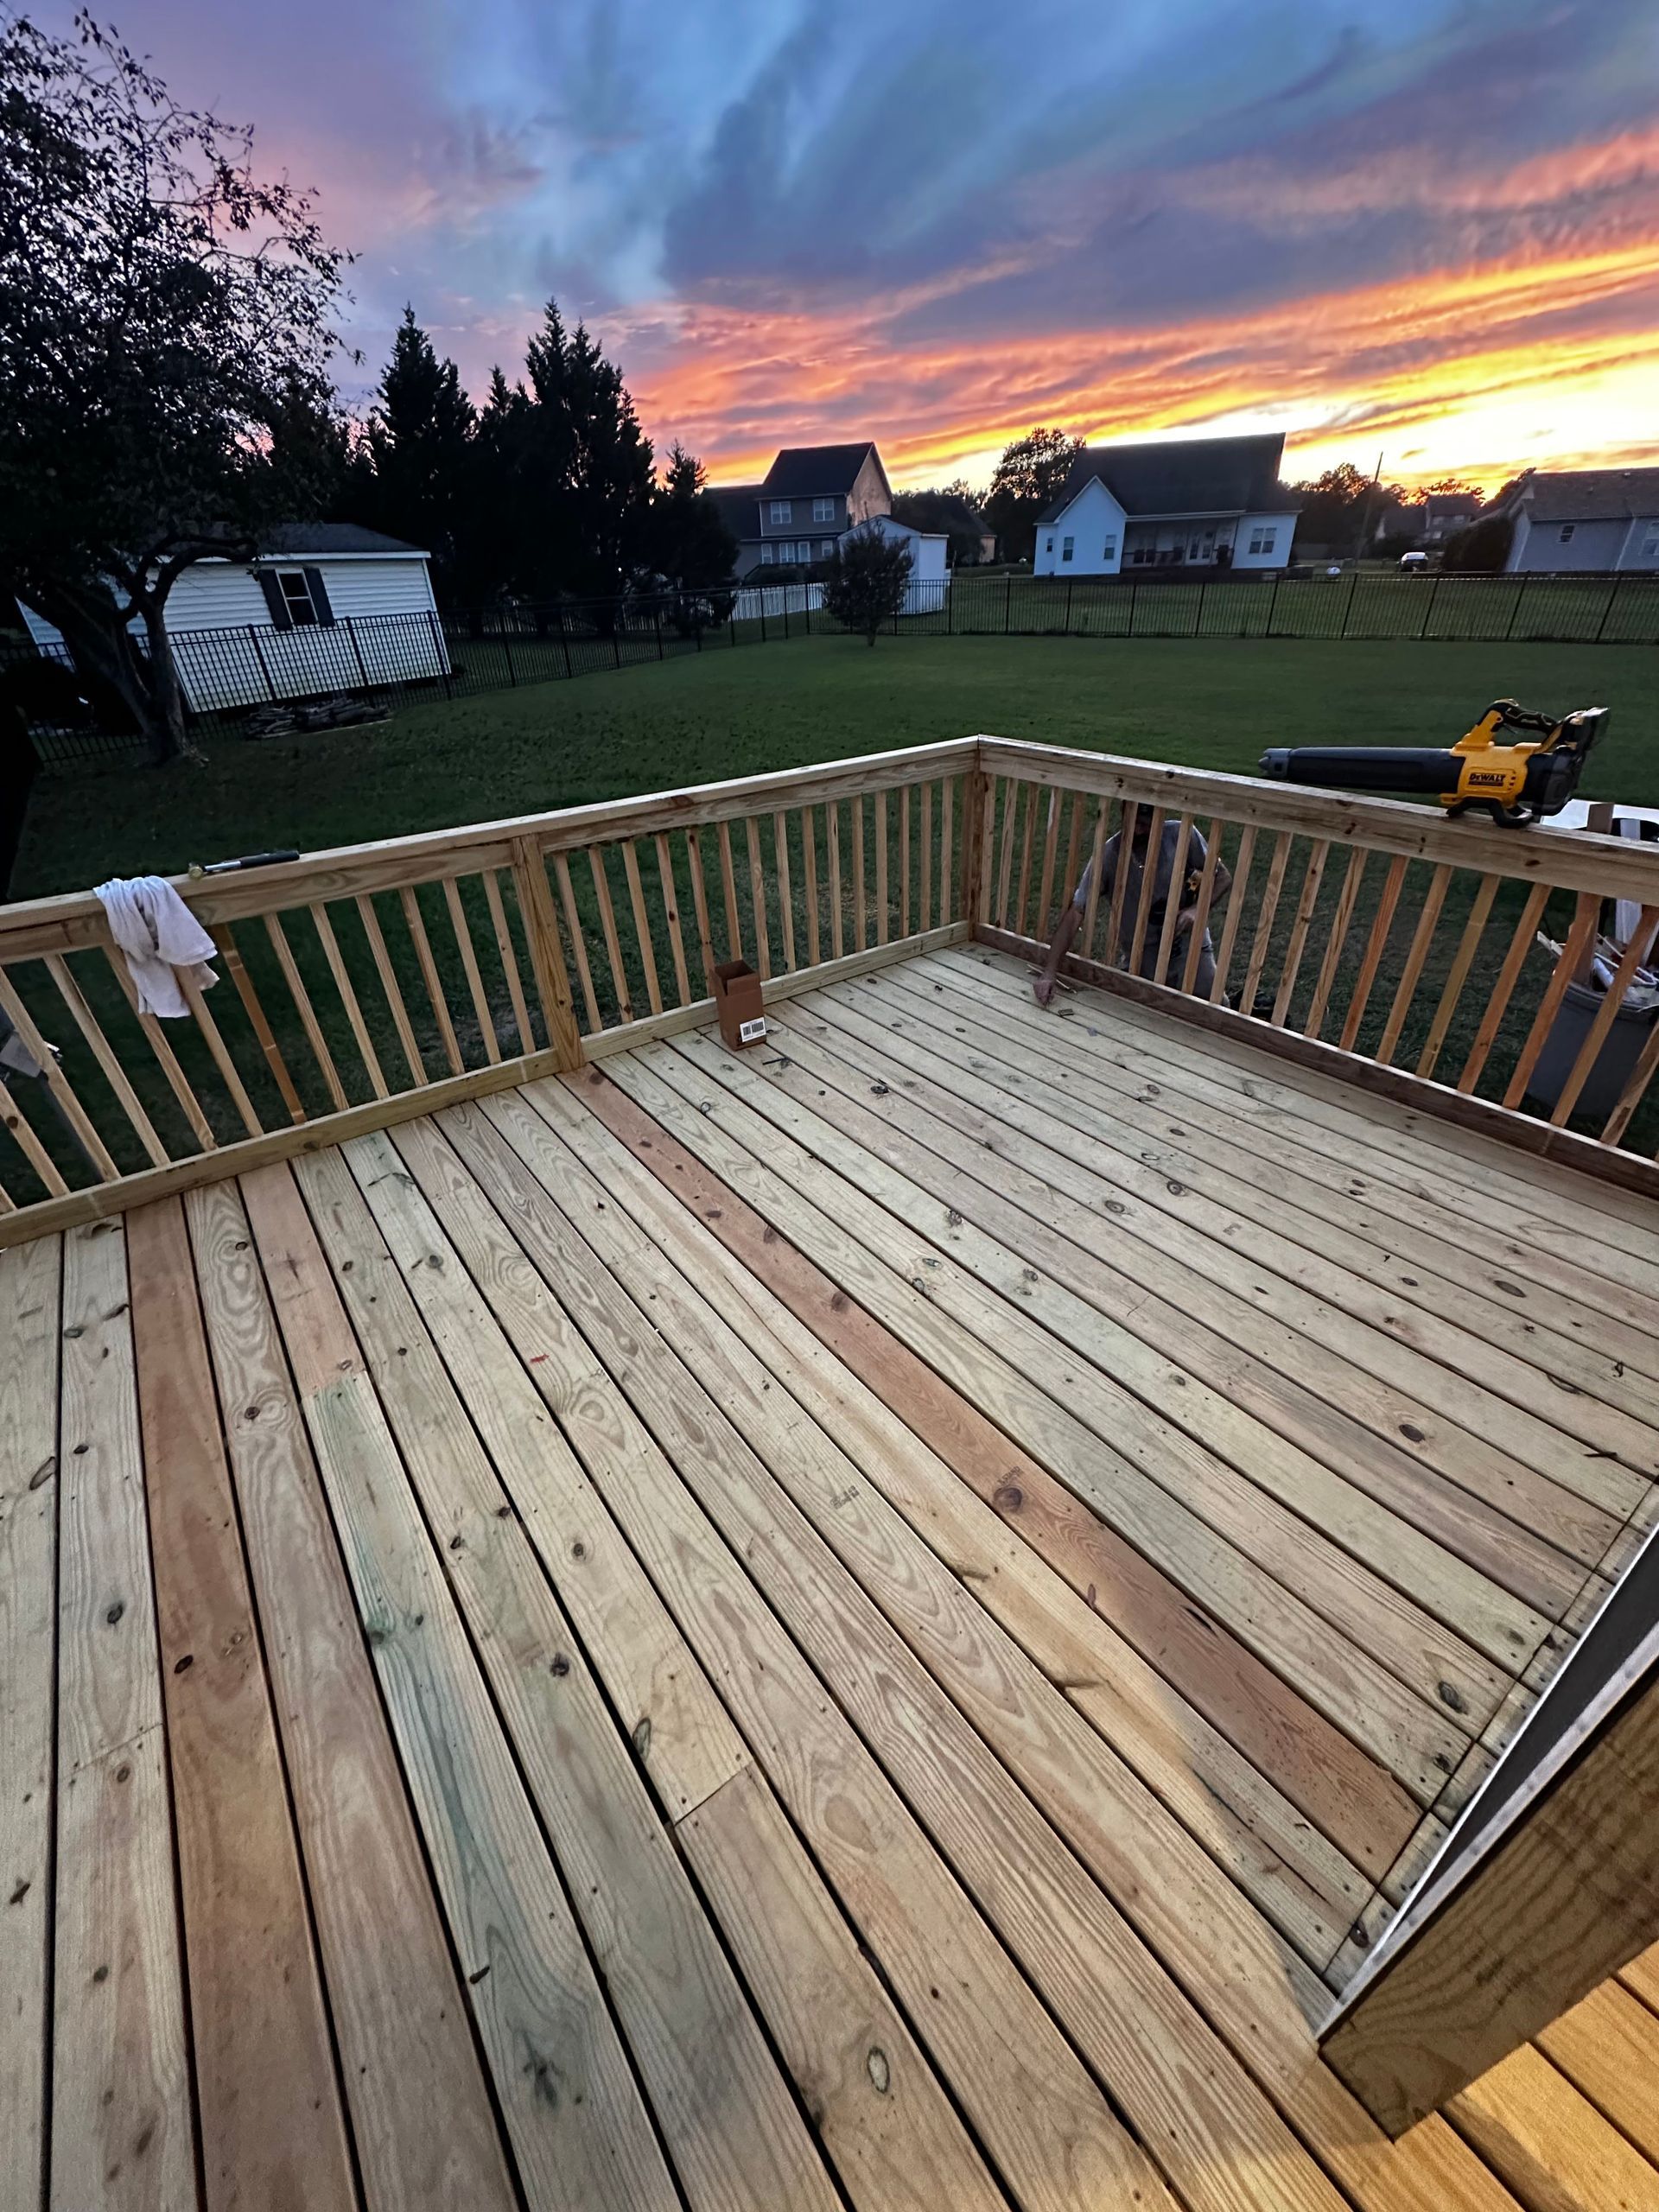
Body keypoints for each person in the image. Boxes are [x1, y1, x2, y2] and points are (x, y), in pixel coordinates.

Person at [1033, 810, 1231, 1005]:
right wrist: (1048, 973)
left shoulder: (1182, 835)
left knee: (1214, 1004)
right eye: (1132, 823)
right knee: (1150, 1009)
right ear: (1123, 814)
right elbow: (1076, 912)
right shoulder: (1109, 856)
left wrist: (1197, 909)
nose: (1137, 831)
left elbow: (1221, 877)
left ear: (1159, 817)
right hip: (1143, 951)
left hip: (1189, 945)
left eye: (1144, 825)